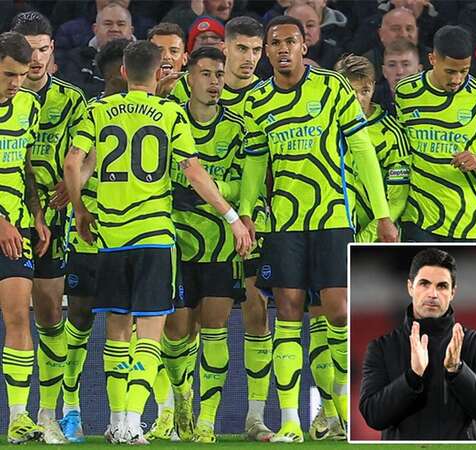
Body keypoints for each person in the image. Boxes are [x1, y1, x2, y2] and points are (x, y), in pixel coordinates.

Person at [63, 40, 251, 444]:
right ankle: (133, 421)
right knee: (150, 333)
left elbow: (72, 162)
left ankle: (115, 421)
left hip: (111, 239)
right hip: (154, 237)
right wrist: (231, 217)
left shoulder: (97, 111)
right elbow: (194, 172)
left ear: (125, 72)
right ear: (160, 73)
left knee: (116, 330)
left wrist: (80, 208)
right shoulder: (170, 113)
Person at [239, 15, 397, 442]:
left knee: (340, 311)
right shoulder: (256, 101)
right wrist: (247, 211)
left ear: (304, 46)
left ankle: (343, 409)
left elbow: (362, 150)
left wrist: (382, 214)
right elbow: (256, 161)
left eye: (291, 41)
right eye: (275, 43)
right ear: (267, 51)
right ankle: (291, 418)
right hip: (286, 223)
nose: (283, 49)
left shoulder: (331, 88)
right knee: (287, 311)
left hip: (333, 217)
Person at [164, 16, 278, 442]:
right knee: (176, 331)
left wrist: (212, 192)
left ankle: (209, 420)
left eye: (217, 76)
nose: (213, 82)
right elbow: (164, 175)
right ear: (188, 77)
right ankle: (178, 401)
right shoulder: (170, 117)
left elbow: (246, 180)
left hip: (224, 241)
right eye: (205, 75)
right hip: (175, 239)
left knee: (219, 324)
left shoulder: (239, 126)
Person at [9, 12, 89, 445]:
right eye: (27, 48)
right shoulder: (8, 96)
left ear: (52, 50)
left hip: (53, 223)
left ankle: (47, 413)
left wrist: (75, 180)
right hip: (14, 214)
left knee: (50, 315)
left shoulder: (72, 99)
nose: (35, 58)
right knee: (17, 313)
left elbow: (91, 150)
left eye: (42, 48)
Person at [58, 37, 129, 444]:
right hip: (90, 238)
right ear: (121, 72)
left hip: (131, 236)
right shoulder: (93, 114)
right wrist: (79, 199)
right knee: (81, 320)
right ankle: (71, 409)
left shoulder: (153, 111)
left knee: (128, 327)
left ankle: (123, 416)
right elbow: (79, 169)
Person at [359, 248, 476, 440]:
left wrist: (457, 370)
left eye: (442, 286)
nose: (432, 294)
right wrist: (412, 377)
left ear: (453, 292)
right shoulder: (381, 348)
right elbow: (373, 416)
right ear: (410, 287)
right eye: (424, 284)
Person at [396, 25, 476, 242]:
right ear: (433, 59)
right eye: (450, 71)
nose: (457, 79)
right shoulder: (405, 93)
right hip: (416, 220)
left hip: (466, 224)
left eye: (464, 71)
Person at [0, 30, 51, 445]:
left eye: (19, 75)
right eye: (7, 74)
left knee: (19, 315)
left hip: (16, 230)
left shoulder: (28, 106)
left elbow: (26, 165)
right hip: (4, 226)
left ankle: (18, 418)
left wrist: (36, 213)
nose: (15, 82)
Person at [334, 54, 411, 243]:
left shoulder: (391, 134)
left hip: (377, 238)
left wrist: (361, 241)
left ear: (374, 87)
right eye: (351, 92)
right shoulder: (327, 129)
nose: (359, 99)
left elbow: (397, 199)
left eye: (365, 91)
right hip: (334, 232)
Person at [57, 1, 134, 99]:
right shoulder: (76, 58)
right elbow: (73, 91)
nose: (114, 29)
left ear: (131, 30)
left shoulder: (143, 58)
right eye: (108, 24)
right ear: (95, 29)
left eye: (121, 24)